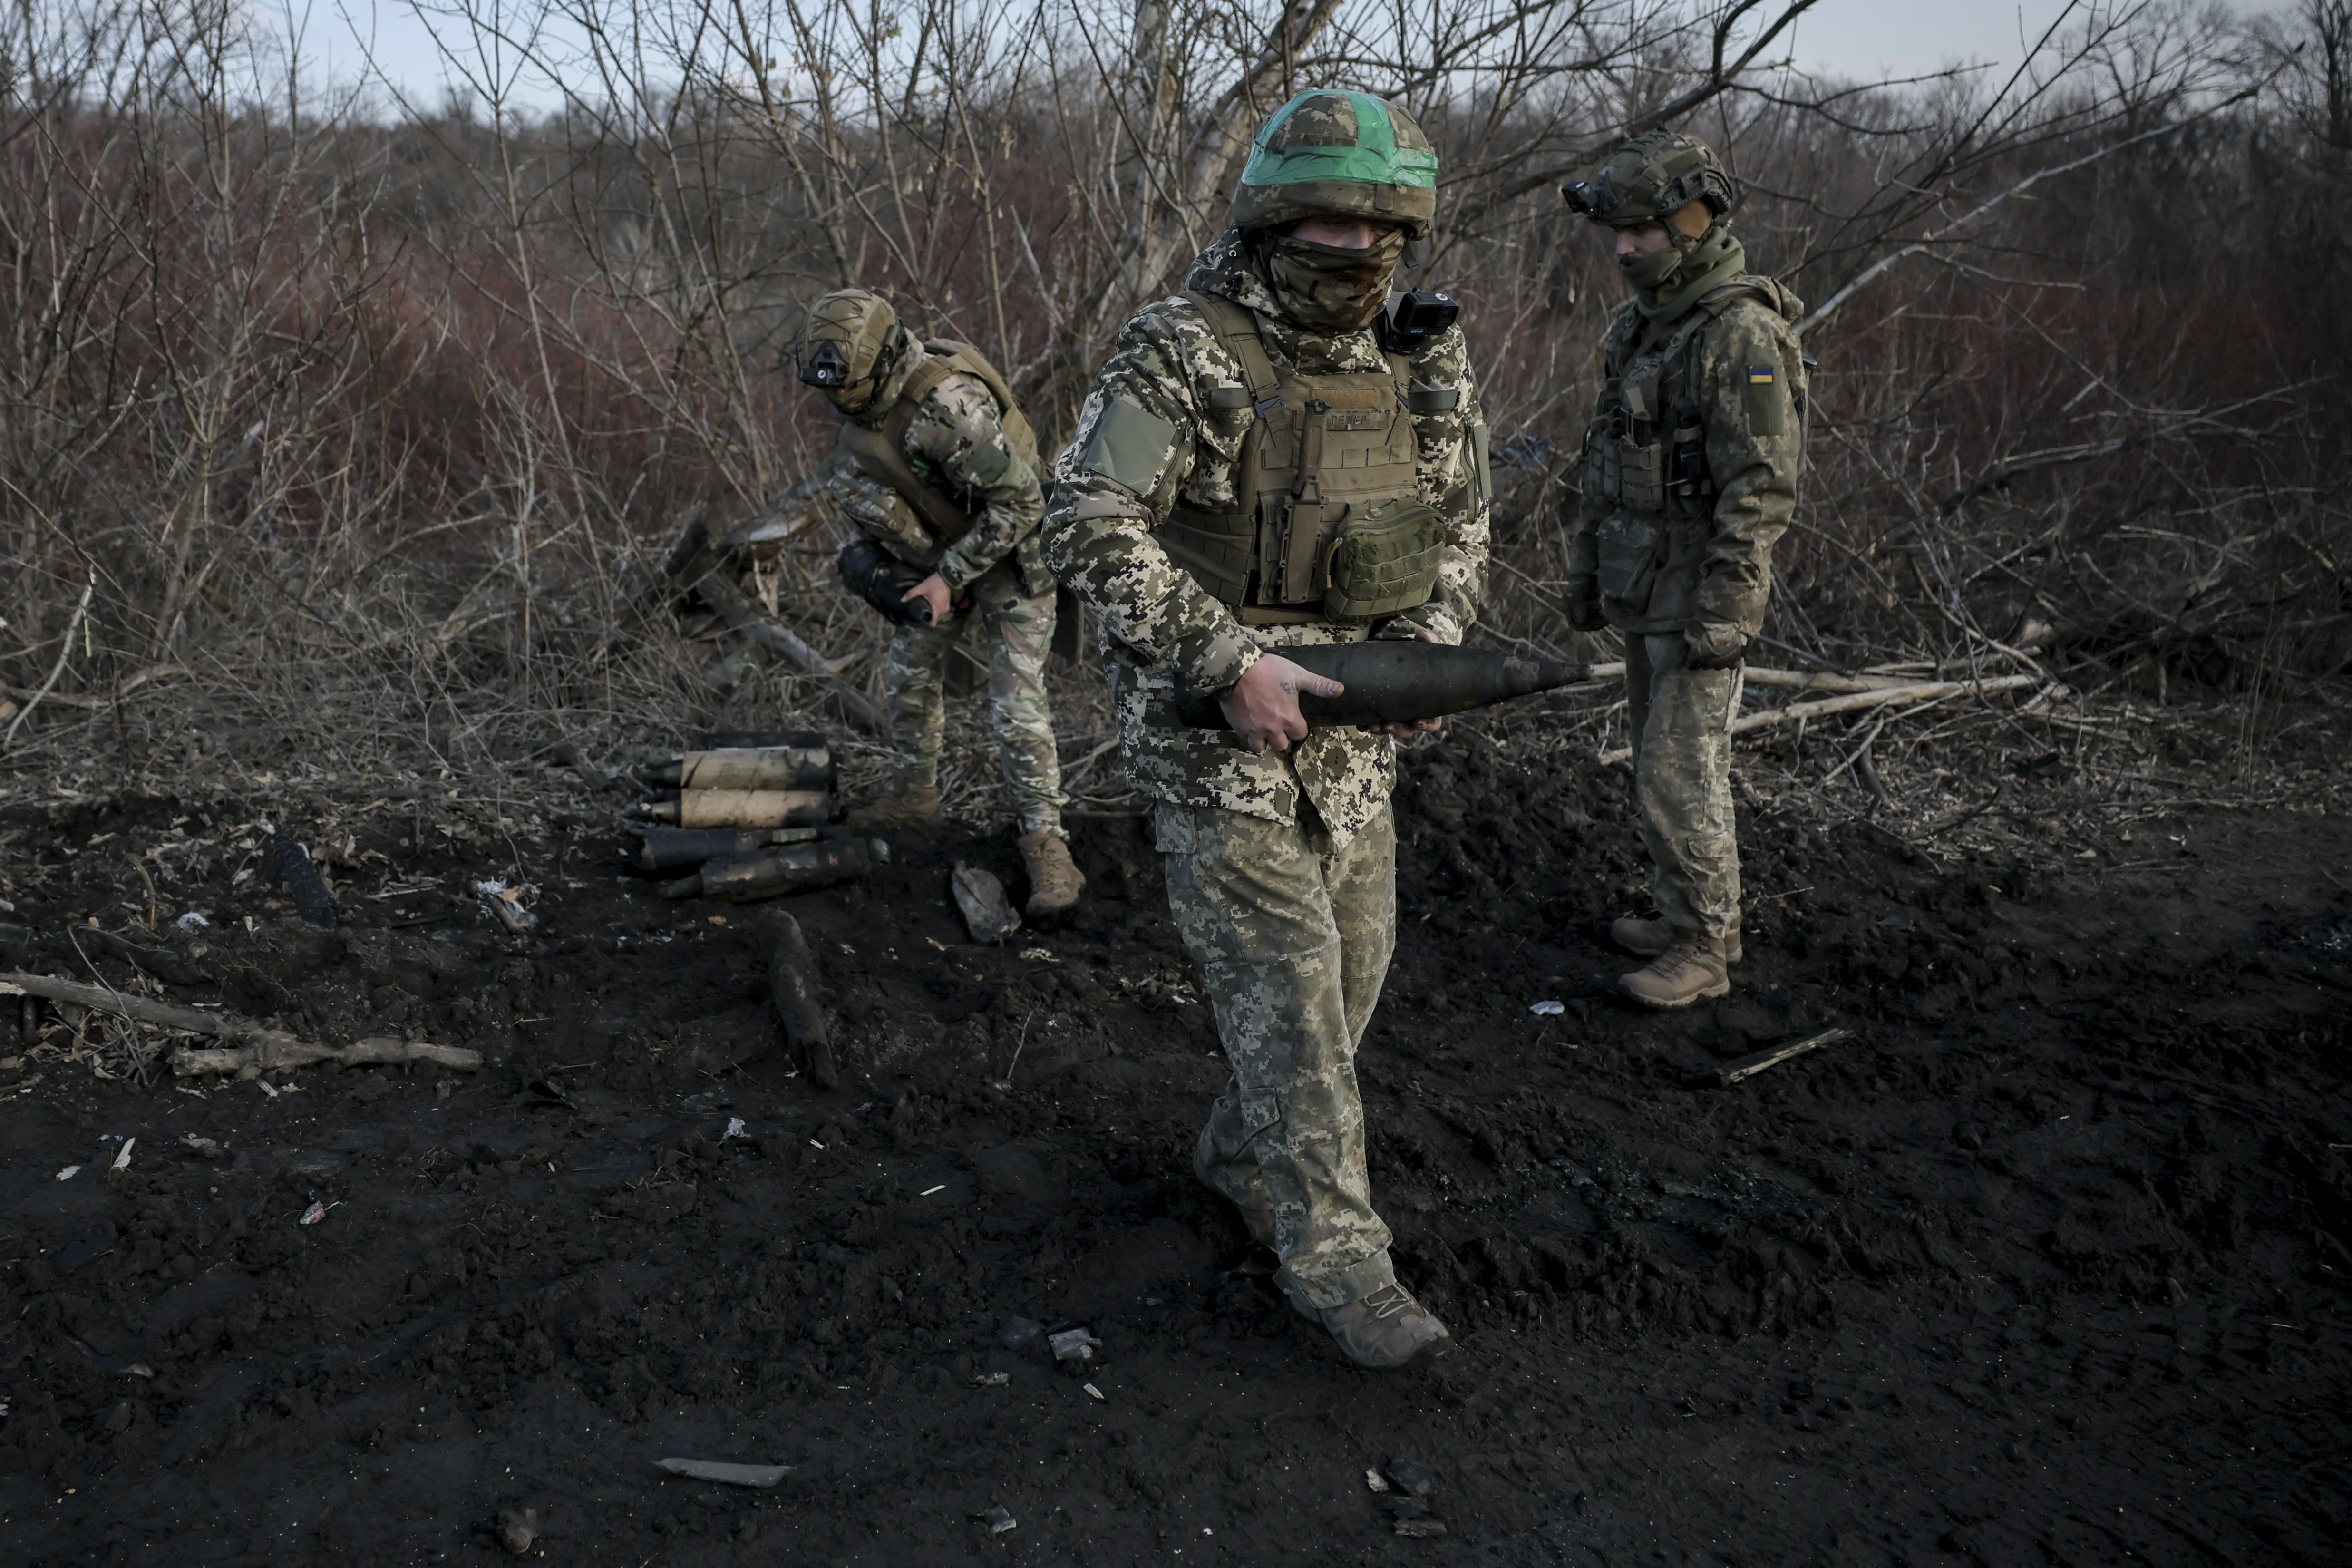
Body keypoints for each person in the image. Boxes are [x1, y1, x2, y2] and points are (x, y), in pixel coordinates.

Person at [1042, 90, 1489, 1370]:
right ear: (1271, 218)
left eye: (1376, 224)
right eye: (1324, 224)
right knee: (1292, 1003)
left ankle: (1242, 1154)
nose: (1352, 249)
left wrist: (1434, 654)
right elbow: (1083, 518)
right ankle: (1341, 1268)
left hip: (1356, 722)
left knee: (1353, 977)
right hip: (1209, 723)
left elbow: (1461, 517)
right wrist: (1226, 659)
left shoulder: (1424, 352)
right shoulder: (1181, 347)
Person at [1561, 130, 1808, 1008]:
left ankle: (1705, 943)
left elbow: (1762, 487)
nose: (1625, 249)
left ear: (1695, 225)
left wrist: (1728, 610)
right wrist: (1586, 567)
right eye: (1619, 233)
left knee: (1678, 767)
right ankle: (1687, 914)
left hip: (1699, 590)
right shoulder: (1640, 328)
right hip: (1645, 580)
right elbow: (1605, 457)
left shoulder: (1740, 332)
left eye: (1646, 232)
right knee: (1655, 759)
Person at [793, 289, 1083, 919]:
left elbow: (1023, 504)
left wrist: (951, 577)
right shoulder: (866, 405)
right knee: (907, 669)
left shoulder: (949, 407)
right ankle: (916, 795)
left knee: (1015, 704)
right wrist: (882, 564)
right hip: (944, 552)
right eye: (831, 391)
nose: (838, 403)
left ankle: (1046, 842)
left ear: (882, 359)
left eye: (847, 388)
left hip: (1012, 552)